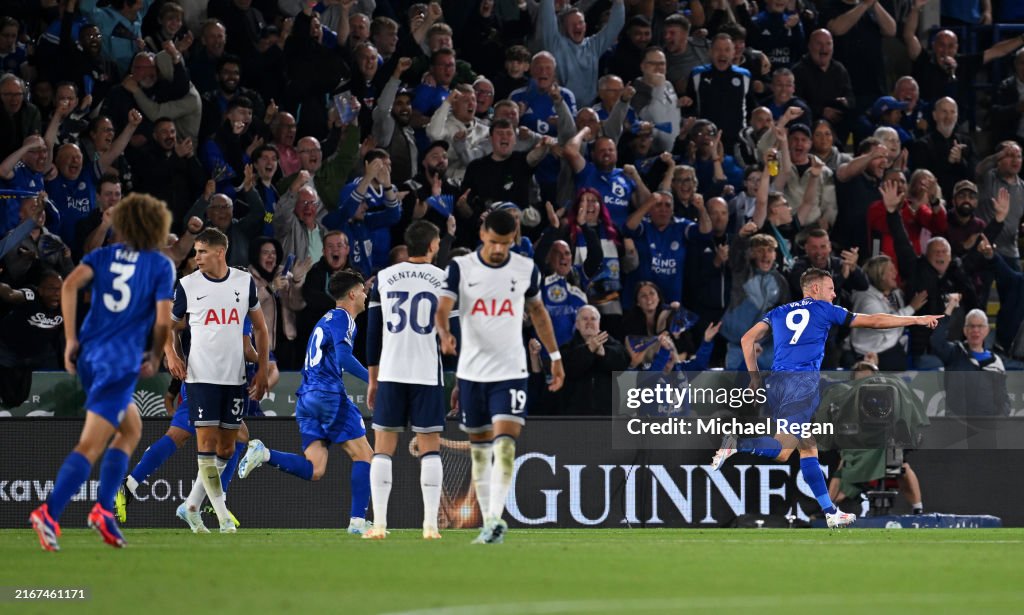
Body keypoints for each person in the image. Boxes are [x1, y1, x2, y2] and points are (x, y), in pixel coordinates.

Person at [711, 268, 942, 528]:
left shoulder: (779, 312)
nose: (834, 294)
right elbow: (875, 321)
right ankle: (738, 444)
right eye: (831, 289)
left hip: (776, 383)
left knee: (808, 446)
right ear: (815, 289)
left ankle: (830, 512)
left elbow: (747, 338)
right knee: (785, 450)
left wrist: (754, 378)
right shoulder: (823, 309)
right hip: (802, 384)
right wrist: (915, 320)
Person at [30, 194, 175, 551]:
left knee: (131, 428)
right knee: (91, 445)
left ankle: (104, 511)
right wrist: (155, 356)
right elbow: (161, 321)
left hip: (92, 357)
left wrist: (69, 341)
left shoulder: (103, 255)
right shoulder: (160, 265)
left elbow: (68, 285)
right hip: (119, 363)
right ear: (157, 227)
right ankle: (49, 512)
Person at [434, 209, 565, 544]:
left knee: (504, 442)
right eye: (493, 242)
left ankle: (494, 520)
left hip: (511, 370)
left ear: (513, 240)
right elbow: (443, 306)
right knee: (480, 448)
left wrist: (555, 356)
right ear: (482, 235)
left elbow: (538, 313)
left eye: (504, 244)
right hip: (472, 371)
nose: (497, 250)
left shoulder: (524, 269)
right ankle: (487, 519)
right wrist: (444, 333)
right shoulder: (461, 268)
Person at [237, 269, 375, 535]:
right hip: (327, 395)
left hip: (307, 399)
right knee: (365, 456)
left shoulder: (327, 319)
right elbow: (344, 358)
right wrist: (373, 379)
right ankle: (358, 523)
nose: (366, 295)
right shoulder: (343, 318)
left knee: (315, 470)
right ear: (352, 293)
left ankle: (264, 453)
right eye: (363, 289)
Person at [167, 228, 270, 534]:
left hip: (235, 378)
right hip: (201, 378)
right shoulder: (187, 285)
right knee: (207, 447)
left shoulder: (243, 282)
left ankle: (191, 507)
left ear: (219, 252)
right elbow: (167, 328)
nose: (195, 257)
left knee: (227, 448)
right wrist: (172, 356)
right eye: (195, 252)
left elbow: (261, 330)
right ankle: (223, 517)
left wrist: (263, 369)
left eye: (201, 251)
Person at [362, 221, 447, 540]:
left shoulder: (384, 278)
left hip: (392, 372)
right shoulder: (443, 279)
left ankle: (380, 525)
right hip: (427, 373)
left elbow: (373, 334)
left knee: (382, 449)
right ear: (434, 245)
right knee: (429, 449)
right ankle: (430, 526)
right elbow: (456, 333)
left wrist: (373, 379)